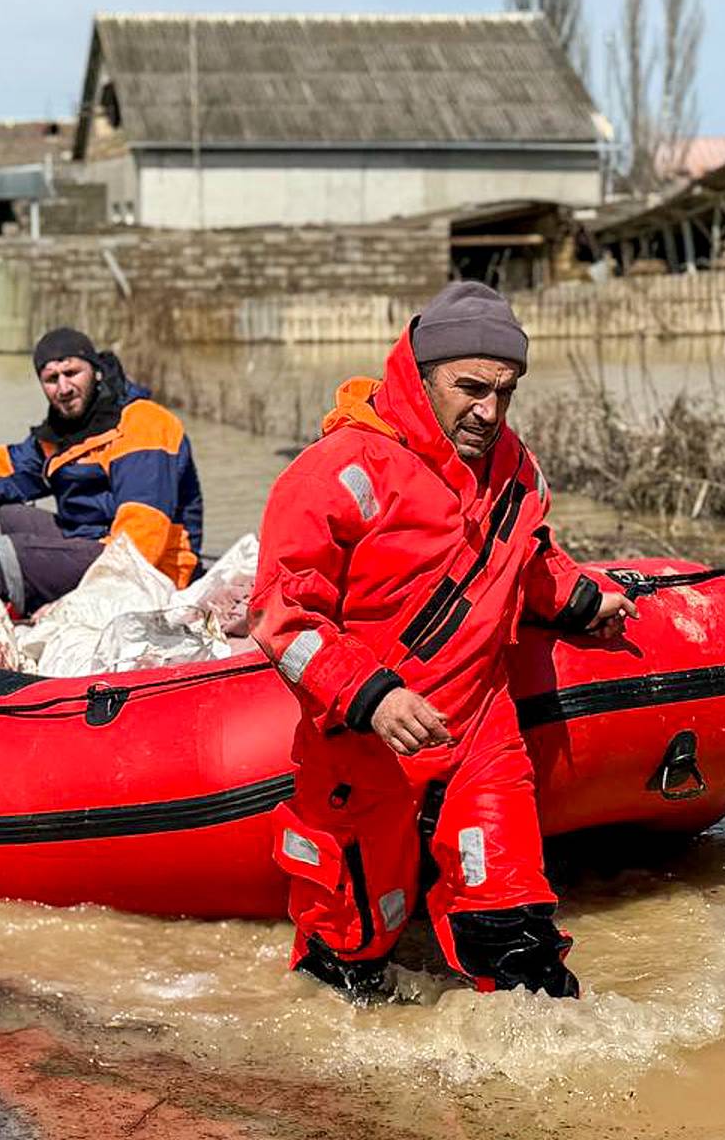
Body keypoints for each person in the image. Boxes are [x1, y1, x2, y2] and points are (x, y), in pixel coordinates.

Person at [248, 281, 636, 1002]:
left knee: (519, 934)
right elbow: (282, 614)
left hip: (480, 731)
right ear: (422, 373)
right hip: (366, 743)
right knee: (349, 954)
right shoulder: (338, 470)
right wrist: (372, 695)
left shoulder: (512, 468)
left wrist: (585, 601)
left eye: (506, 393)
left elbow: (530, 557)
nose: (489, 412)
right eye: (471, 388)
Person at [0, 327, 203, 624]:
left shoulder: (144, 424)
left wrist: (73, 604)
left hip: (154, 573)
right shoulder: (60, 435)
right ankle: (15, 619)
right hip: (89, 544)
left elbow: (142, 541)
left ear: (96, 371)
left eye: (72, 373)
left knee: (2, 556)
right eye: (51, 379)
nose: (64, 388)